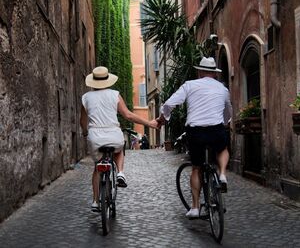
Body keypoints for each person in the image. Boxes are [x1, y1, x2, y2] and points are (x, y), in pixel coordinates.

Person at [157, 57, 232, 219]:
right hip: (216, 130)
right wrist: (225, 123)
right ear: (214, 73)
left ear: (199, 71)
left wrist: (163, 119)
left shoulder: (190, 85)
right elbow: (228, 111)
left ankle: (196, 207)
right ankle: (223, 174)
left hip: (196, 132)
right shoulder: (223, 89)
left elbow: (169, 104)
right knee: (222, 149)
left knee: (196, 168)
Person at [80, 66, 158, 211]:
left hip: (95, 137)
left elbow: (83, 122)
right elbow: (128, 115)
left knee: (98, 167)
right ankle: (121, 172)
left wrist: (85, 133)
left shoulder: (86, 98)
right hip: (113, 135)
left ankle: (96, 201)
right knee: (119, 150)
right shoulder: (114, 95)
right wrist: (149, 123)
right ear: (107, 80)